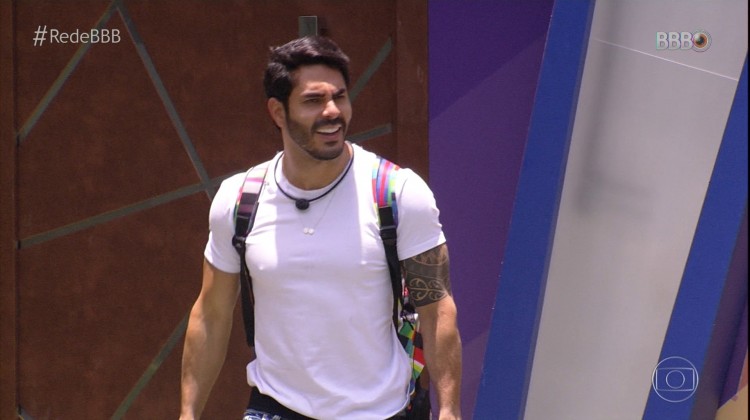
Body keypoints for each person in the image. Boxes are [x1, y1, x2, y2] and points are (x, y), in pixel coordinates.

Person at [179, 36, 462, 420]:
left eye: (339, 97)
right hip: (275, 408)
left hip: (378, 411)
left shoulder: (397, 193)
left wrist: (449, 412)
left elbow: (437, 309)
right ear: (277, 112)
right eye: (313, 100)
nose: (332, 112)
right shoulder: (239, 200)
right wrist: (188, 414)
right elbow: (211, 314)